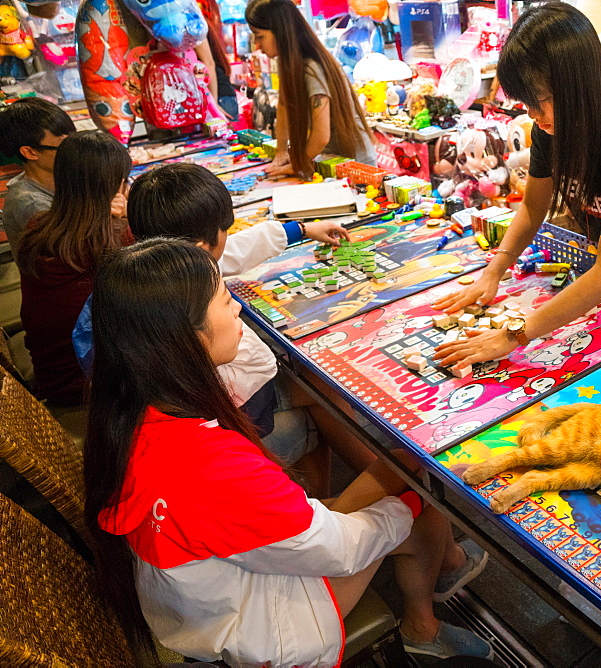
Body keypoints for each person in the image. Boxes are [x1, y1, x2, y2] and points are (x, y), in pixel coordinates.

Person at [84, 238, 493, 665]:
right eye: (225, 301)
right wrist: (404, 505)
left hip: (204, 594)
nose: (239, 308)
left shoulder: (131, 407)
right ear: (184, 336)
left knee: (404, 474)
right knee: (419, 498)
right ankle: (423, 625)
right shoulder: (213, 466)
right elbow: (341, 551)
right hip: (258, 628)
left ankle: (442, 570)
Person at [433, 3, 601, 371]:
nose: (533, 115)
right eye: (526, 104)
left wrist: (513, 335)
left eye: (539, 102)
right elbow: (533, 207)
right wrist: (493, 272)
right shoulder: (552, 126)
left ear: (576, 85)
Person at [72, 163, 361, 475]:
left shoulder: (144, 272)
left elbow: (233, 251)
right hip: (229, 417)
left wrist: (300, 229)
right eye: (226, 301)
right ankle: (374, 484)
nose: (234, 307)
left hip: (165, 420)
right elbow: (254, 369)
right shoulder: (180, 315)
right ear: (198, 252)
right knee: (322, 392)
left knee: (320, 391)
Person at [18, 130, 132, 408]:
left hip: (51, 373)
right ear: (117, 187)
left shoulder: (39, 226)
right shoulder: (116, 242)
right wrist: (126, 218)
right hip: (87, 392)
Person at [245, 0, 376, 177]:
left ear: (280, 32)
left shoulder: (310, 68)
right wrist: (282, 151)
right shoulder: (290, 63)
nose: (257, 45)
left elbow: (321, 136)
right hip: (330, 160)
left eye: (260, 36)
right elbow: (283, 107)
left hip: (353, 163)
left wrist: (297, 163)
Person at [0, 98, 75, 258]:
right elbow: (72, 252)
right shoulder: (30, 203)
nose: (74, 150)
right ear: (30, 152)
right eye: (64, 145)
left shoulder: (60, 176)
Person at [194, 0, 239, 120]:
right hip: (223, 96)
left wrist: (213, 103)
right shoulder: (200, 25)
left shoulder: (195, 27)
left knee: (225, 137)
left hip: (220, 97)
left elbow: (209, 64)